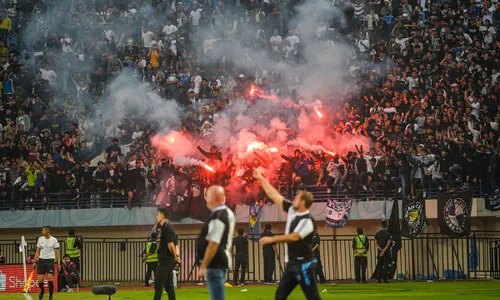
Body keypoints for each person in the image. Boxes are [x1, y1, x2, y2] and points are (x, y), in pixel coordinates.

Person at [254, 170, 321, 300]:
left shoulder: (307, 220)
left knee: (313, 297)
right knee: (279, 296)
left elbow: (294, 237)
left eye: (296, 198)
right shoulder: (292, 210)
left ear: (302, 202)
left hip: (304, 265)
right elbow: (274, 195)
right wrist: (261, 179)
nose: (293, 199)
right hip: (292, 264)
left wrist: (272, 239)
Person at [197, 185, 236, 300]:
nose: (206, 199)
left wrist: (203, 265)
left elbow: (214, 243)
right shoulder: (225, 212)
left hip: (215, 263)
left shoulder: (218, 216)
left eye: (207, 196)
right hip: (219, 262)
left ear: (212, 198)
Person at [154, 208, 181, 300]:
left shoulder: (166, 227)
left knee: (158, 284)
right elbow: (176, 245)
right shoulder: (170, 228)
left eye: (158, 215)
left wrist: (175, 256)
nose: (157, 217)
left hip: (165, 260)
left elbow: (171, 245)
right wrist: (177, 257)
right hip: (169, 260)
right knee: (169, 286)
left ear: (162, 215)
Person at [33, 226, 60, 300]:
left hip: (50, 261)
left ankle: (51, 296)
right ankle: (42, 291)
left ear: (48, 231)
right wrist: (35, 261)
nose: (42, 232)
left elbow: (57, 252)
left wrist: (58, 263)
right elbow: (37, 251)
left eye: (43, 230)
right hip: (41, 261)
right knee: (40, 280)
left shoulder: (54, 240)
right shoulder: (40, 239)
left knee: (50, 279)